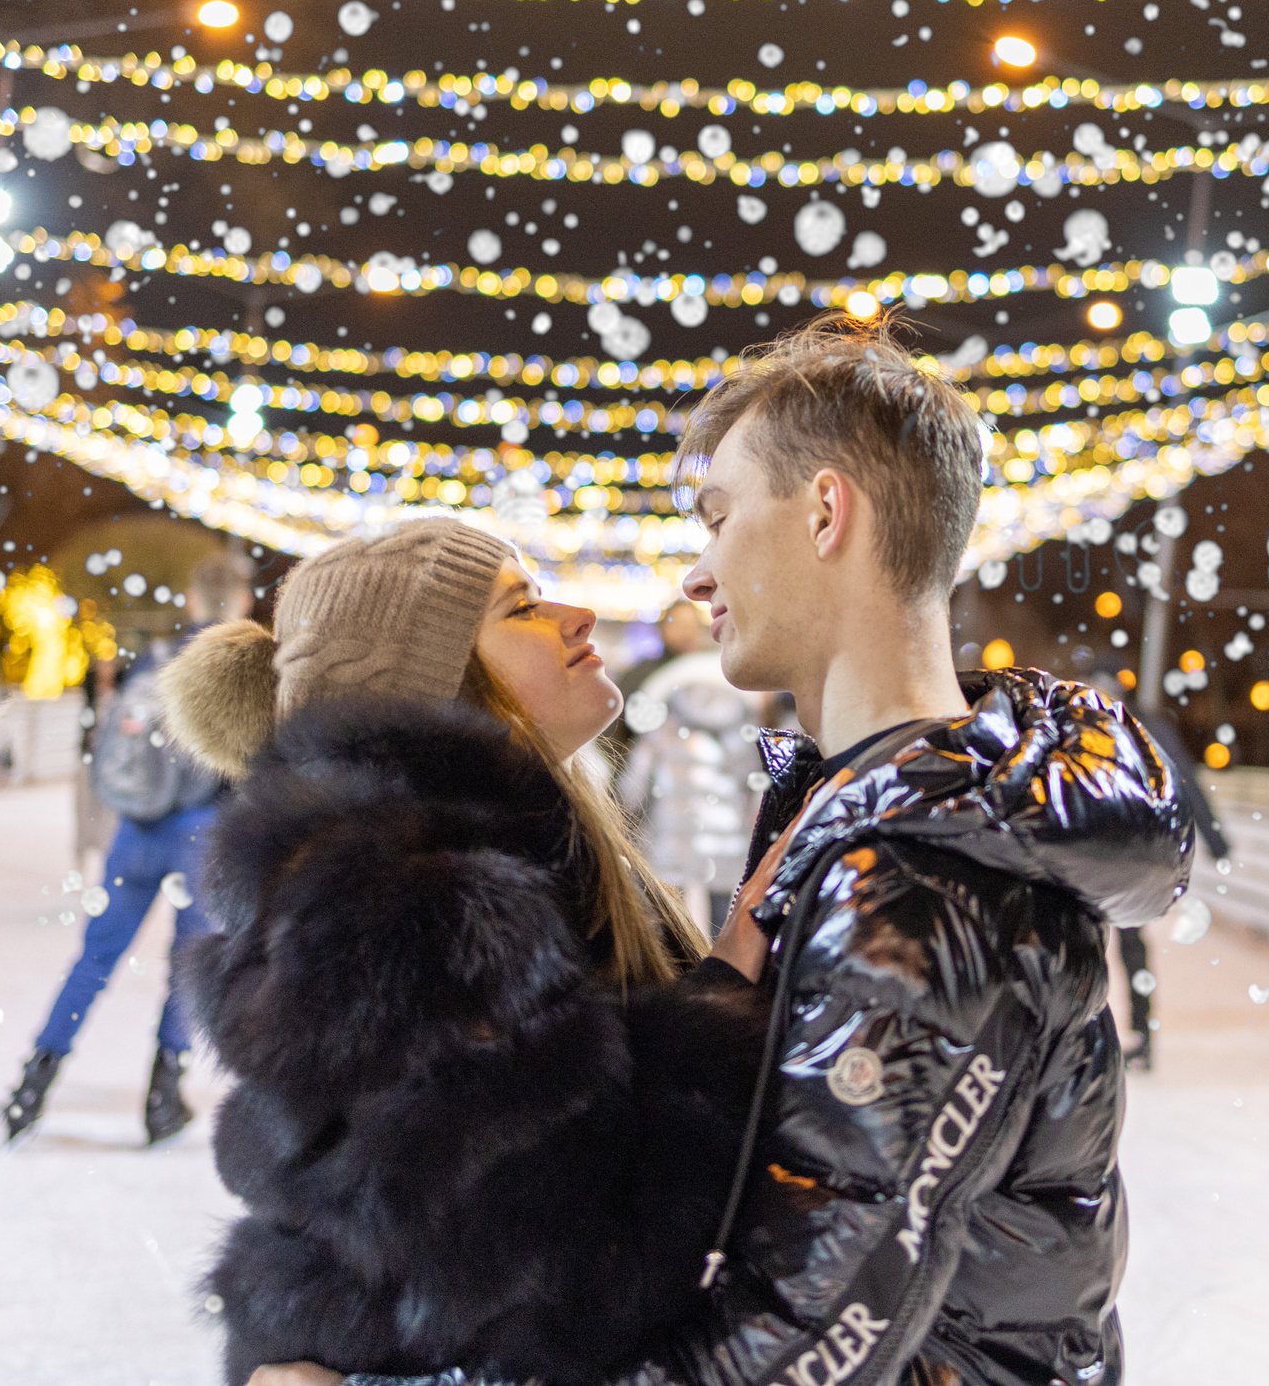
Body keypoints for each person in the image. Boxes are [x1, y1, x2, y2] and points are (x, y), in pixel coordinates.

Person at [247, 313, 1193, 1386]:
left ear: (825, 513)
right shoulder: (856, 809)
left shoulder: (928, 880)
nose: (694, 576)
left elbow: (795, 1346)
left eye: (716, 516)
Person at [158, 520, 767, 1386]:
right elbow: (554, 1264)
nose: (578, 613)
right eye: (522, 606)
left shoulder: (521, 846)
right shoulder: (420, 899)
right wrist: (724, 1003)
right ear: (437, 686)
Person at [0, 550, 252, 1149]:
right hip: (201, 837)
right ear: (241, 603)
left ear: (191, 599)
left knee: (93, 960)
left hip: (135, 834)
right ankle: (164, 1098)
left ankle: (34, 1084)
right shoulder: (245, 672)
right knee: (188, 973)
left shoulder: (158, 658)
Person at [615, 601, 758, 934]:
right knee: (725, 929)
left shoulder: (659, 709)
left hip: (668, 843)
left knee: (668, 933)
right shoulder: (740, 716)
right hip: (727, 846)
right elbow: (755, 785)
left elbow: (631, 787)